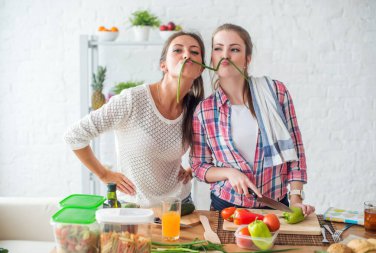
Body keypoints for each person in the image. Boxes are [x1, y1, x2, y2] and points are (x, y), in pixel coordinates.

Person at [64, 31, 205, 207]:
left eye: (194, 52)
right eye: (177, 50)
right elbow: (74, 135)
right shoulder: (132, 99)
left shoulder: (197, 109)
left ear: (200, 69)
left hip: (179, 205)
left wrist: (193, 170)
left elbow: (214, 150)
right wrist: (104, 174)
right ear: (164, 65)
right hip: (134, 208)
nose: (186, 55)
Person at [190, 24, 315, 215]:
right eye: (218, 48)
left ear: (247, 59)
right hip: (227, 207)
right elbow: (199, 166)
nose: (225, 55)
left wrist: (296, 198)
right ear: (212, 57)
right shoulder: (204, 110)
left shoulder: (275, 93)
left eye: (234, 49)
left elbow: (295, 151)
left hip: (275, 206)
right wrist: (229, 173)